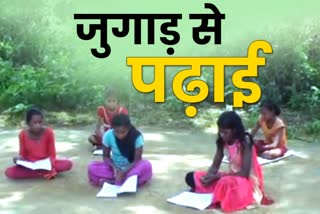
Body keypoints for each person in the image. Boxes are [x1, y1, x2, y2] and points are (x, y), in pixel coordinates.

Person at [185, 111, 273, 212]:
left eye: (225, 132)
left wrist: (218, 176)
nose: (222, 135)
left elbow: (244, 173)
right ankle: (220, 193)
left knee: (224, 183)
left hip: (245, 181)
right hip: (230, 177)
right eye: (220, 132)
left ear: (234, 130)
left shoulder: (245, 142)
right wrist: (208, 177)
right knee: (192, 177)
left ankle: (223, 194)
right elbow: (215, 165)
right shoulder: (222, 141)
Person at [5, 108, 73, 180]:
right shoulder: (22, 134)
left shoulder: (49, 133)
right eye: (35, 123)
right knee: (9, 172)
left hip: (46, 163)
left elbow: (52, 155)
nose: (38, 125)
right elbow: (23, 154)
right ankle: (44, 172)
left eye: (40, 122)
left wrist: (48, 164)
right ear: (28, 123)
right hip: (30, 164)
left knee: (68, 164)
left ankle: (40, 172)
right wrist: (17, 159)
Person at [88, 114, 152, 187]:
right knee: (92, 167)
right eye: (116, 132)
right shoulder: (108, 135)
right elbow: (106, 157)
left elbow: (137, 160)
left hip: (132, 167)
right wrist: (114, 168)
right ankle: (127, 182)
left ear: (128, 128)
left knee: (146, 165)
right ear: (113, 128)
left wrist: (124, 172)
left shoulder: (136, 136)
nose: (119, 135)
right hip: (115, 167)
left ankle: (113, 181)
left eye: (123, 132)